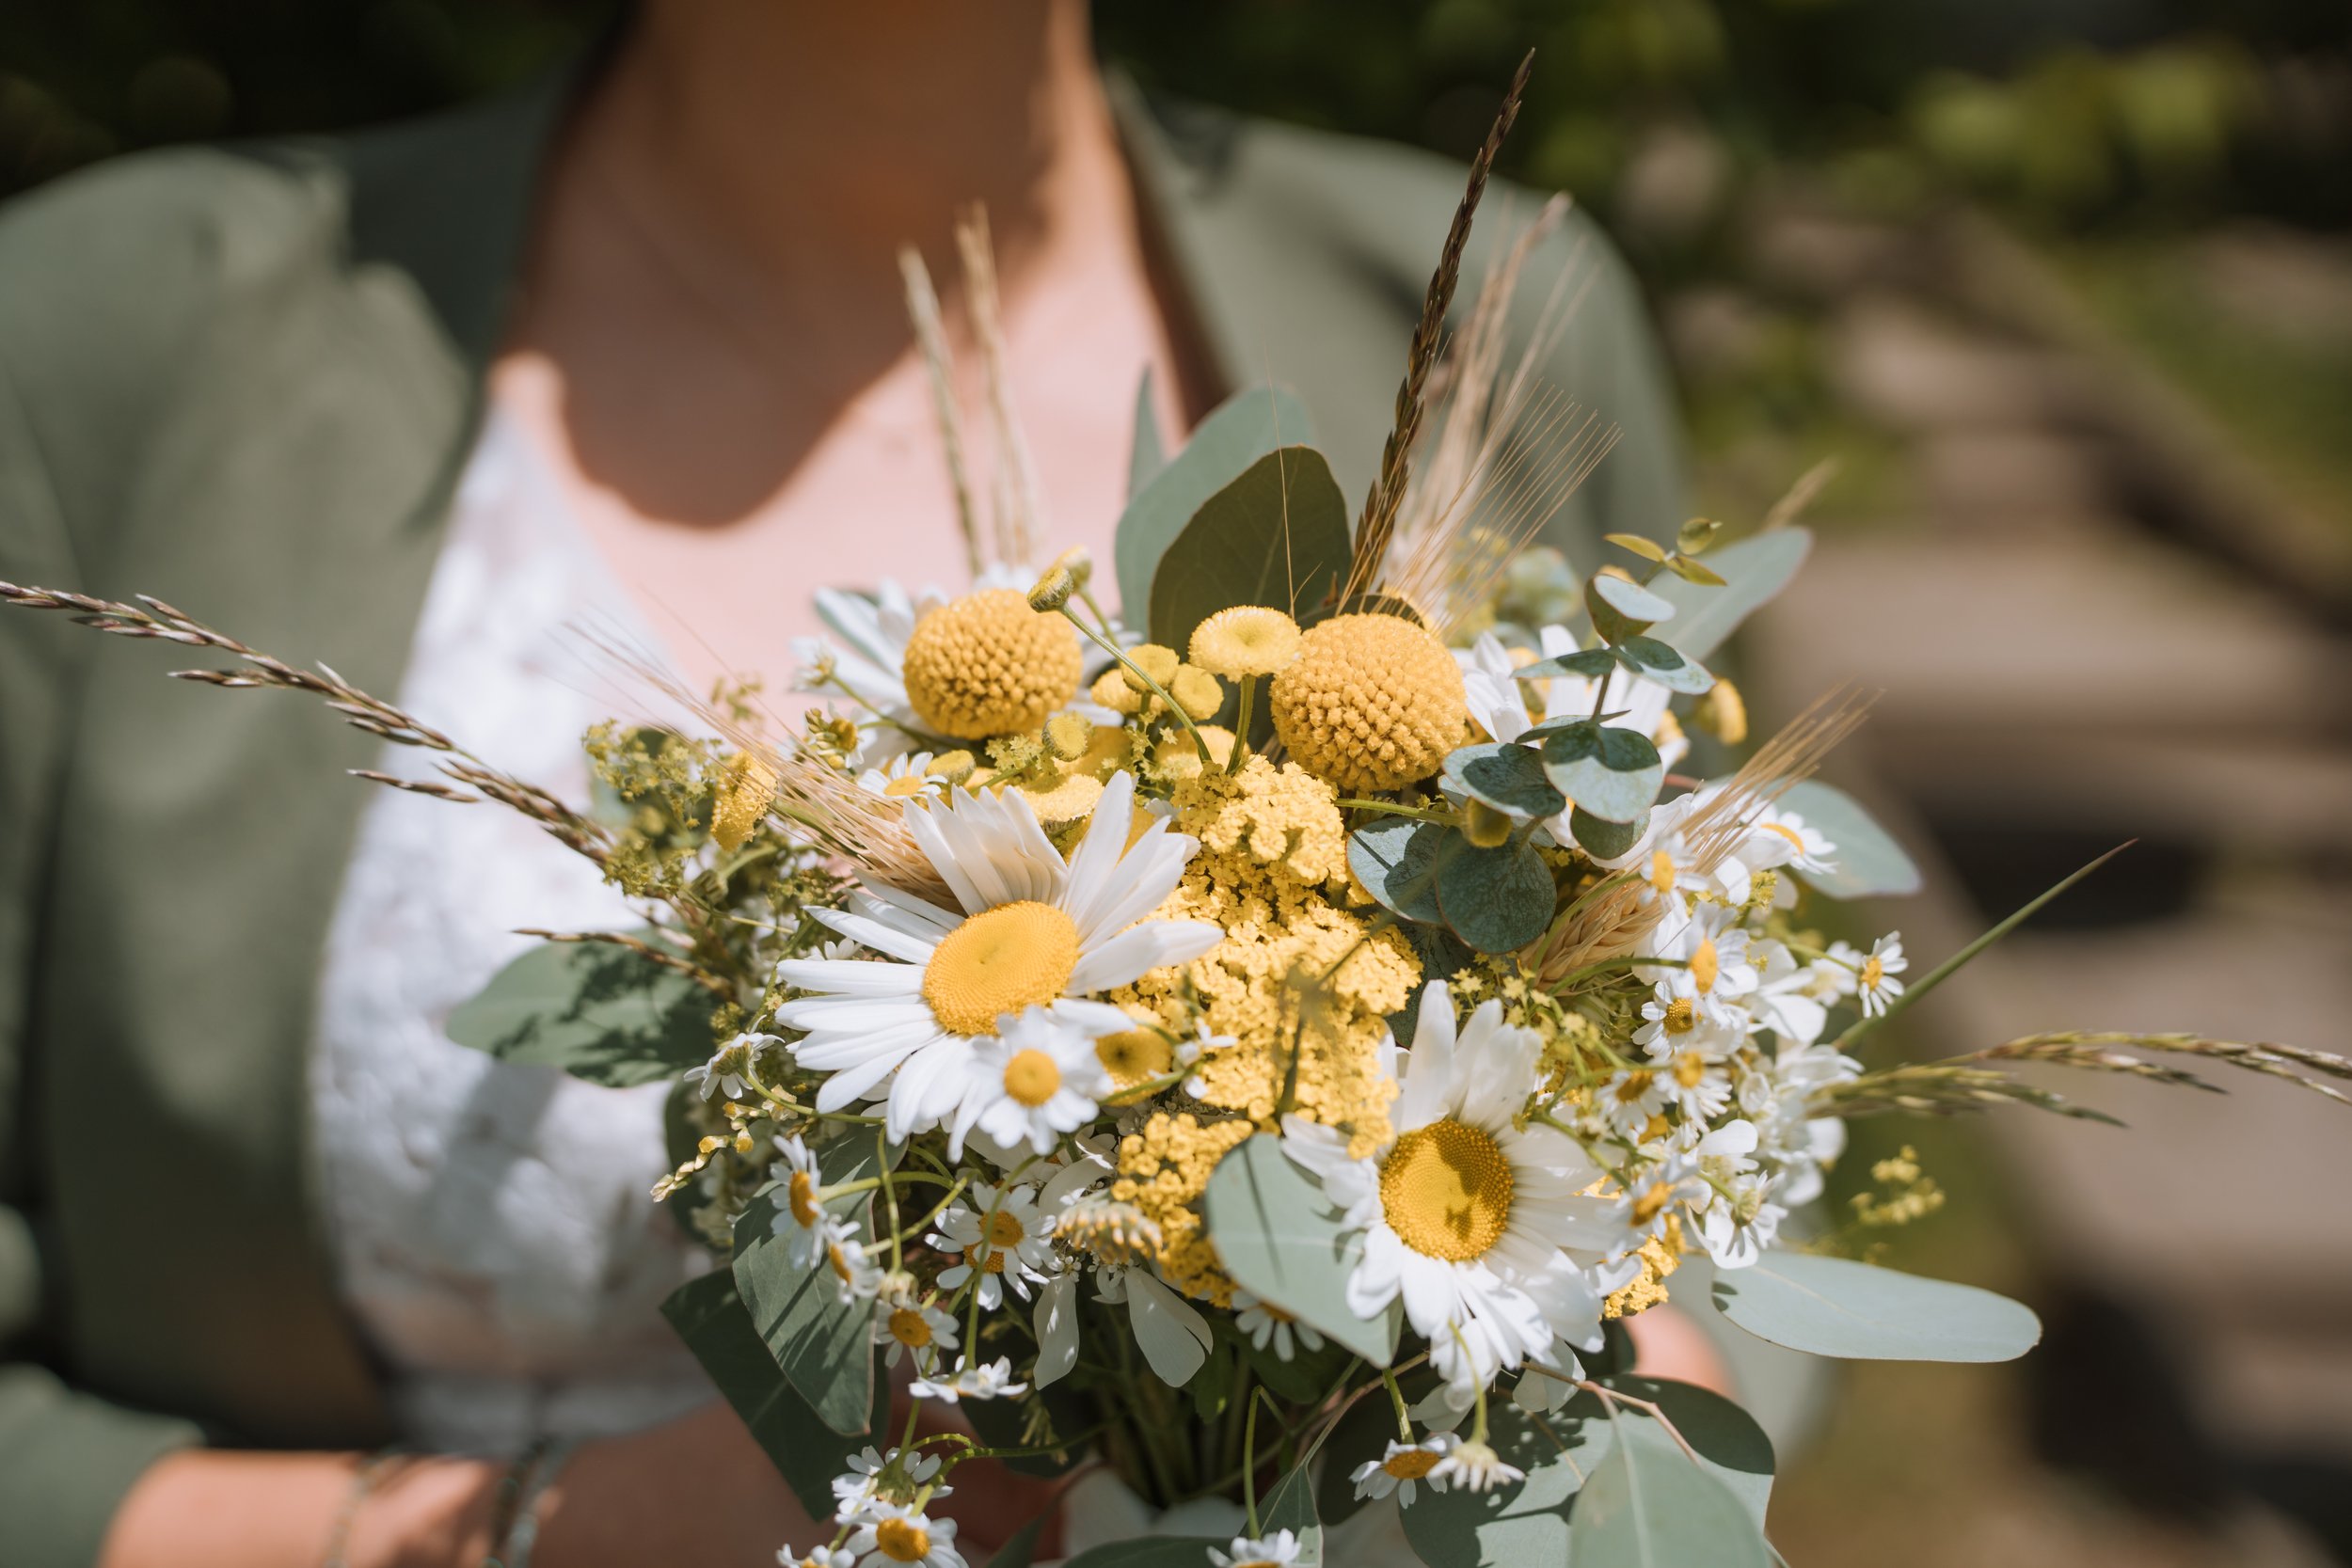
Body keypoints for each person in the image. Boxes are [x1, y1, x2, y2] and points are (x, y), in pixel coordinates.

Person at [0, 3, 1699, 1565]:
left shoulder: (1480, 303)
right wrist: (540, 1539)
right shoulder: (106, 339)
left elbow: (1711, 1109)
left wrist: (1614, 1397)